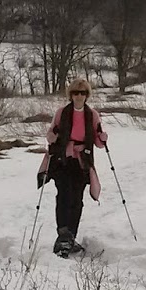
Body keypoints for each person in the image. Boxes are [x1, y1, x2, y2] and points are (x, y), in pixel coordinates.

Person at [35, 78, 107, 256]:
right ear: (71, 95)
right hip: (63, 160)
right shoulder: (61, 113)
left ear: (87, 95)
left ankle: (70, 236)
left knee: (77, 199)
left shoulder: (93, 115)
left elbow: (98, 143)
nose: (79, 96)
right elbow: (51, 133)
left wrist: (103, 138)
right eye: (76, 93)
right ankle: (63, 235)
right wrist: (52, 136)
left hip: (82, 161)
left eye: (83, 93)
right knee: (64, 195)